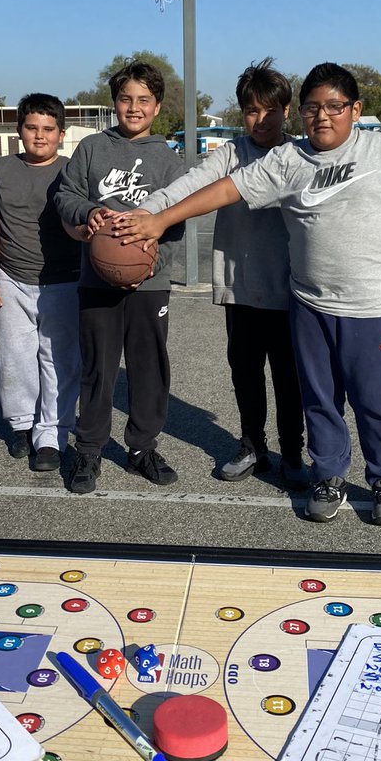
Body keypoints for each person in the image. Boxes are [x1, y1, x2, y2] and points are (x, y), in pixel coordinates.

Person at [113, 62, 381, 526]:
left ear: (355, 109)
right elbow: (223, 188)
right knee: (318, 400)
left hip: (370, 306)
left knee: (375, 402)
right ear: (301, 113)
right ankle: (328, 475)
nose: (323, 116)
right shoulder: (288, 161)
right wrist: (157, 217)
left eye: (334, 107)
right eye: (313, 108)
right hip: (309, 303)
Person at [139, 58, 307, 487]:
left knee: (290, 379)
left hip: (292, 290)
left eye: (270, 110)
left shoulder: (301, 155)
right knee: (245, 373)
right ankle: (253, 445)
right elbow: (190, 184)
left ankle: (293, 453)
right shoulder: (231, 153)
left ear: (286, 110)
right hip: (242, 288)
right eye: (252, 110)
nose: (261, 119)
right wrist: (149, 211)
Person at [54, 61, 184, 494]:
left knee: (149, 368)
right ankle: (88, 449)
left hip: (149, 285)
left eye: (143, 100)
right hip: (96, 279)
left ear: (157, 105)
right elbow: (66, 196)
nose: (134, 107)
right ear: (114, 103)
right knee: (98, 368)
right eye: (126, 98)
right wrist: (89, 212)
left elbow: (176, 222)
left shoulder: (169, 160)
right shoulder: (92, 148)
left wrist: (150, 266)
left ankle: (141, 447)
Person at [0, 93, 82, 472]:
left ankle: (52, 434)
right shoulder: (1, 169)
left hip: (64, 280)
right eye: (32, 127)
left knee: (59, 360)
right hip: (12, 277)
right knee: (15, 359)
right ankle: (22, 425)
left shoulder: (72, 170)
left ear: (61, 134)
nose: (40, 136)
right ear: (19, 130)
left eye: (48, 129)